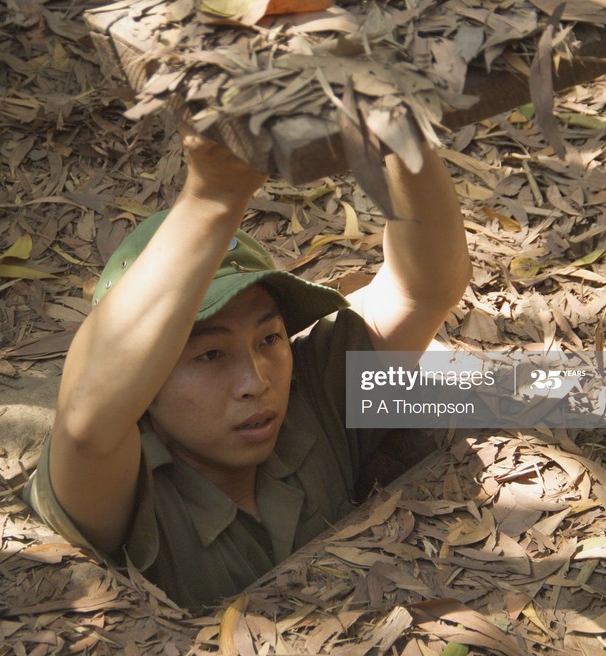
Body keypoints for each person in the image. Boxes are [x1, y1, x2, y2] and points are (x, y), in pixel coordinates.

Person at [26, 125, 471, 611]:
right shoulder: (121, 483)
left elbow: (422, 289)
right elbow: (86, 420)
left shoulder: (312, 393)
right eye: (210, 355)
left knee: (557, 389)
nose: (256, 382)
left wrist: (400, 135)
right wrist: (213, 195)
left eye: (269, 339)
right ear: (145, 384)